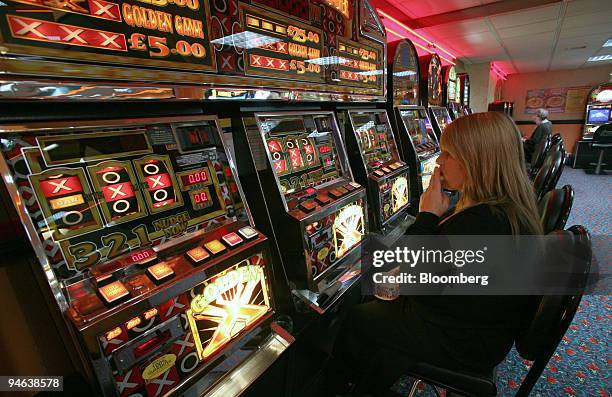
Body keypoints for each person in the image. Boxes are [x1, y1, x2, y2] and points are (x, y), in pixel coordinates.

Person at [320, 112, 543, 397]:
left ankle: (337, 388)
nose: (438, 161)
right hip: (483, 328)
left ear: (474, 162)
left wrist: (426, 215)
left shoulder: (481, 222)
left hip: (461, 340)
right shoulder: (507, 209)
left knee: (361, 316)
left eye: (448, 154)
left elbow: (412, 281)